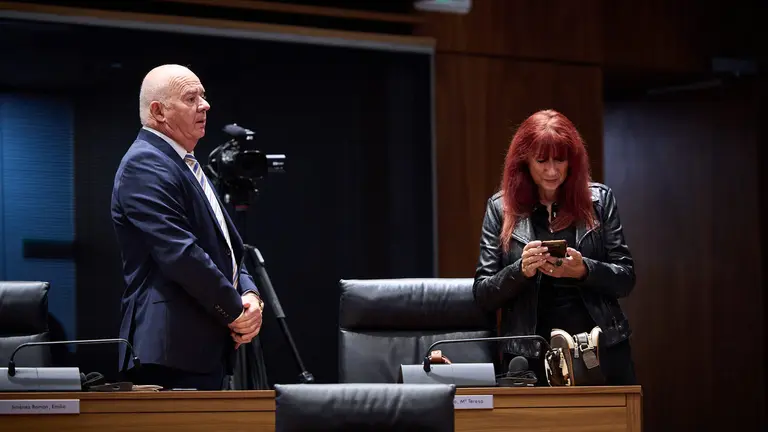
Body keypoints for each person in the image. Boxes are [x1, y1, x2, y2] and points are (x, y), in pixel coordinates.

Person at [111, 64, 264, 390]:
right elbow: (180, 254)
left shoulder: (183, 162)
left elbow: (225, 246)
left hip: (200, 346)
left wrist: (249, 295)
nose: (205, 105)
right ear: (159, 111)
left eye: (204, 96)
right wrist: (235, 311)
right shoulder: (145, 163)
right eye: (191, 98)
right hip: (170, 351)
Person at [473, 109, 636, 386]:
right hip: (529, 356)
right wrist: (520, 270)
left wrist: (584, 269)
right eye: (542, 161)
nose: (552, 170)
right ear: (525, 161)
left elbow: (626, 279)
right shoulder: (501, 208)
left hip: (598, 349)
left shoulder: (599, 200)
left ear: (572, 161)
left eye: (560, 160)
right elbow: (483, 294)